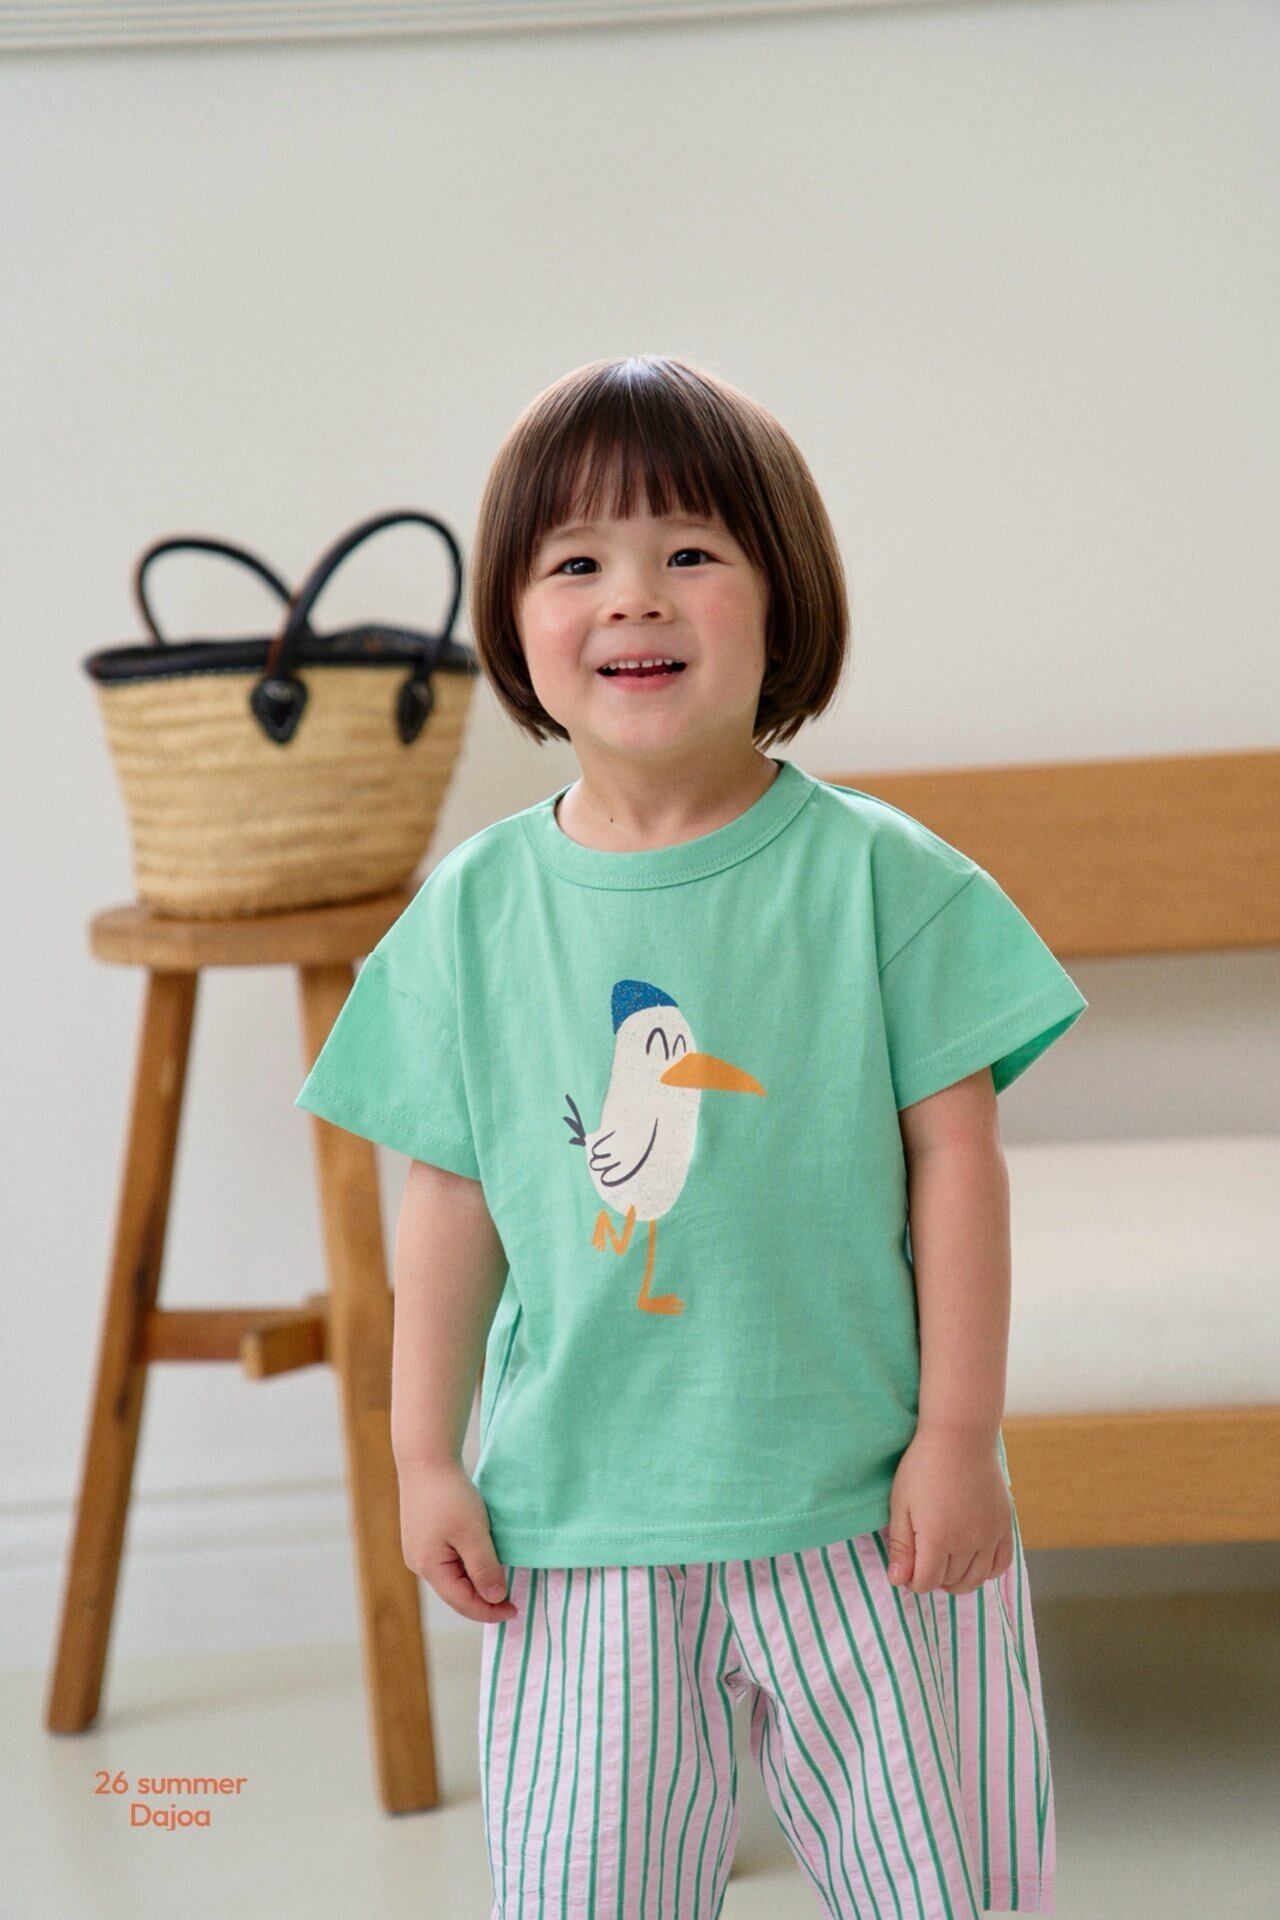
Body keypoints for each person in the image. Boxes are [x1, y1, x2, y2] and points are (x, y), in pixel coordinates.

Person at [295, 354, 1087, 1918]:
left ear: (785, 598)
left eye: (690, 553)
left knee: (950, 1888)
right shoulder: (470, 913)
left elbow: (959, 1164)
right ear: (513, 619)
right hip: (576, 1522)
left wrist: (954, 1439)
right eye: (575, 563)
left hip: (867, 1514)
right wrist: (422, 1454)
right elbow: (448, 1196)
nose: (633, 599)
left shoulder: (886, 881)